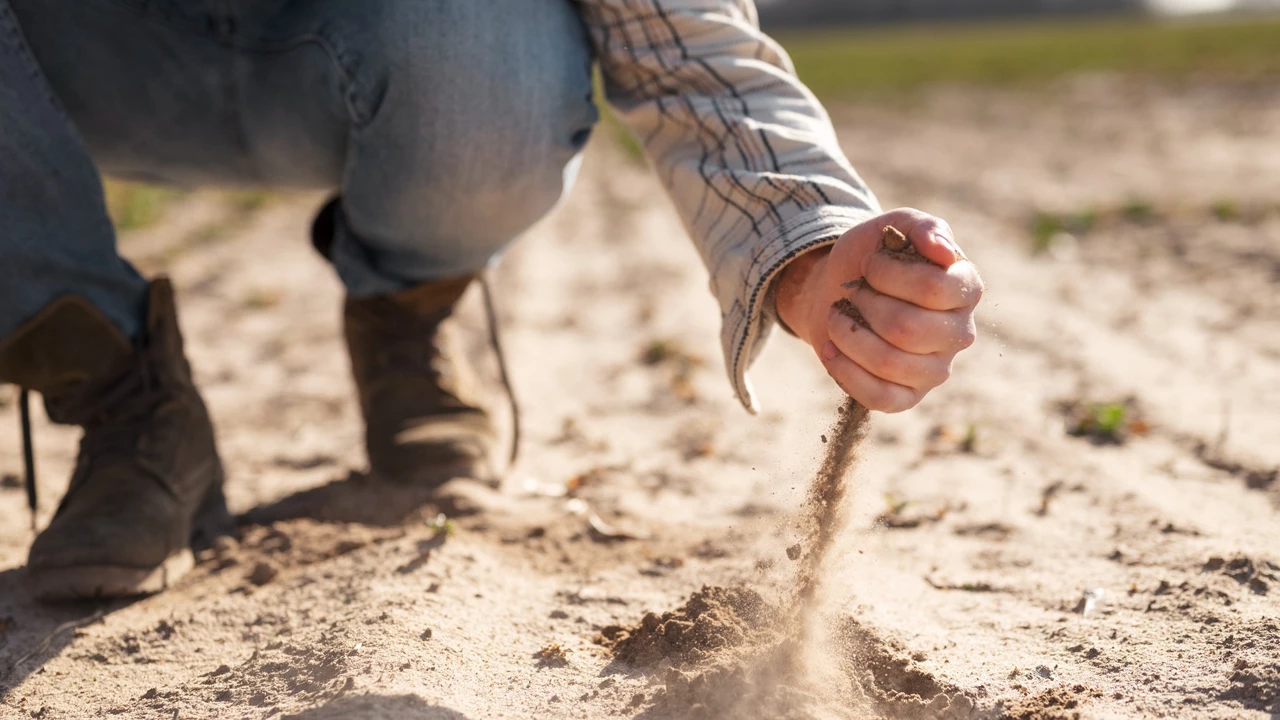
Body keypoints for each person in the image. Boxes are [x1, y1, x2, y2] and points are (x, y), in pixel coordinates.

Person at [0, 0, 983, 602]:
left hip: (349, 43)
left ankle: (407, 305)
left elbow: (680, 39)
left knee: (486, 26)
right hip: (64, 62)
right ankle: (121, 395)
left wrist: (802, 244)